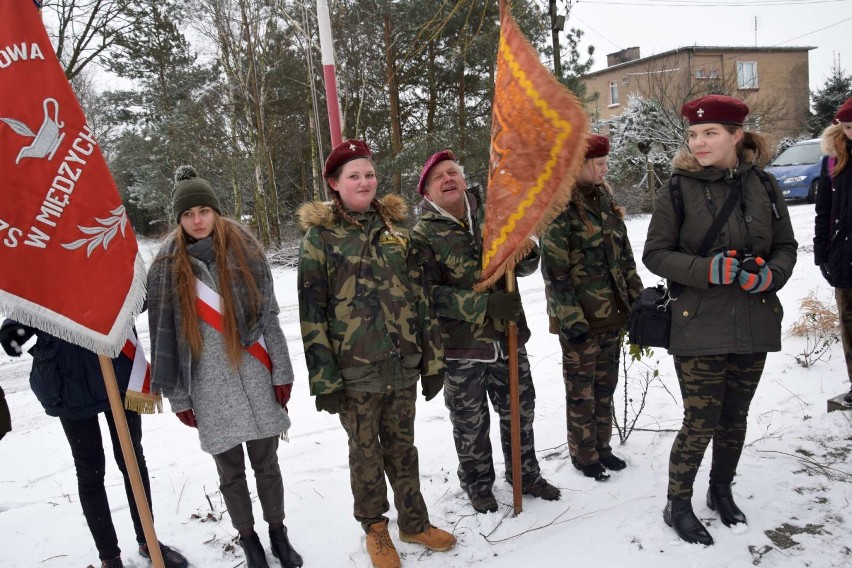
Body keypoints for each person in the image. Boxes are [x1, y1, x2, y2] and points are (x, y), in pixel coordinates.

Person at [643, 95, 797, 545]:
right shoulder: (677, 188)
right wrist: (705, 270)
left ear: (737, 135)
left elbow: (786, 246)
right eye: (693, 134)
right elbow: (655, 253)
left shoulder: (765, 186)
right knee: (701, 419)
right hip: (698, 323)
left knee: (735, 416)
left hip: (754, 318)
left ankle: (721, 491)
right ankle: (678, 504)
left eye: (710, 133)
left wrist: (771, 275)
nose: (699, 142)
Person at [297, 140, 456, 568]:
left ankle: (415, 523)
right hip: (356, 371)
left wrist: (432, 361)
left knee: (404, 449)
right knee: (365, 454)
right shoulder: (320, 238)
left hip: (402, 363)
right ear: (334, 184)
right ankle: (376, 529)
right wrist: (325, 380)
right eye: (354, 176)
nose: (364, 181)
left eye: (369, 174)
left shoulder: (399, 232)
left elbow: (421, 298)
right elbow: (312, 313)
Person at [147, 166, 302, 568]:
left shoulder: (246, 250)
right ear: (178, 220)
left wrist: (281, 371)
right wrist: (179, 395)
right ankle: (248, 539)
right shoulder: (165, 266)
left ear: (215, 211)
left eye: (203, 210)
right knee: (231, 472)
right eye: (187, 214)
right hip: (208, 387)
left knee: (268, 464)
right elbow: (163, 335)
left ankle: (277, 533)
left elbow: (269, 316)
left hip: (256, 373)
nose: (197, 220)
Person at [410, 150, 561, 514]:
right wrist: (483, 306)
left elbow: (526, 263)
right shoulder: (422, 237)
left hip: (508, 340)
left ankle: (525, 474)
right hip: (462, 350)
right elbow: (428, 295)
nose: (448, 179)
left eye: (453, 173)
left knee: (519, 412)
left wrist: (523, 246)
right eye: (438, 178)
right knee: (470, 422)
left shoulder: (494, 215)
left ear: (463, 180)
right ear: (428, 194)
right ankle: (478, 485)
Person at [0, 320, 188, 568]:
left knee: (131, 458)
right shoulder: (46, 279)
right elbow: (30, 305)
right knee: (90, 470)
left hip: (116, 366)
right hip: (67, 379)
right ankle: (109, 557)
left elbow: (136, 296)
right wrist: (12, 331)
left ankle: (148, 541)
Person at [541, 134, 644, 482]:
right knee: (581, 392)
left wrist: (637, 302)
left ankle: (602, 446)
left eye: (604, 163)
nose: (604, 169)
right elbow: (555, 272)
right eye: (598, 163)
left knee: (605, 387)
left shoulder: (604, 201)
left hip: (612, 315)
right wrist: (571, 319)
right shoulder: (559, 208)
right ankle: (583, 455)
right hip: (581, 320)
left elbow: (625, 258)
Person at [814, 96, 852, 408]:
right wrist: (822, 253)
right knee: (849, 323)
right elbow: (823, 211)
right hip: (844, 257)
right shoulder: (833, 160)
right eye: (849, 127)